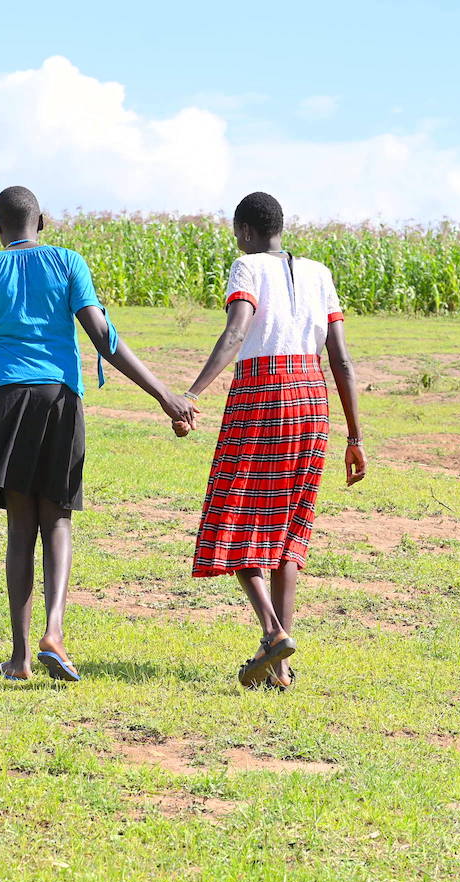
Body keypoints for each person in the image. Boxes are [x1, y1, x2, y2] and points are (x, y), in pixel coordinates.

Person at [0, 186, 197, 682]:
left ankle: (21, 659)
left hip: (7, 399)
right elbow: (103, 337)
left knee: (20, 530)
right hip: (59, 399)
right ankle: (55, 632)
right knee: (59, 523)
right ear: (42, 222)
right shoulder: (68, 262)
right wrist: (165, 395)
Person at [176, 191, 366, 691]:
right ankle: (279, 668)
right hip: (313, 399)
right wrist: (356, 436)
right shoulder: (320, 273)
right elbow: (341, 361)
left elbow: (237, 333)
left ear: (243, 229)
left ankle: (272, 632)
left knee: (232, 513)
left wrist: (193, 393)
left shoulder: (246, 267)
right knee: (287, 529)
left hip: (262, 394)